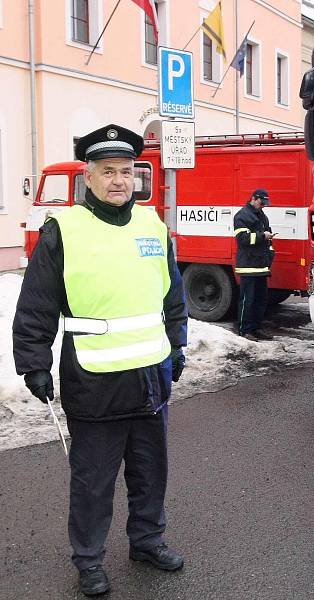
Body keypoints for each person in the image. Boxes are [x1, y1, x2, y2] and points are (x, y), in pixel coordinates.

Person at [12, 124, 188, 596]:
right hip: (94, 379)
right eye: (107, 171)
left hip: (151, 378)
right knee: (92, 481)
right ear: (87, 177)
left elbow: (172, 294)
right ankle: (89, 559)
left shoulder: (153, 226)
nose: (118, 180)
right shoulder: (64, 230)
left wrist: (178, 343)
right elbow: (36, 304)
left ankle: (147, 540)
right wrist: (33, 362)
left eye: (126, 171)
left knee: (151, 471)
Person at [234, 188, 275, 341]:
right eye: (261, 202)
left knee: (260, 299)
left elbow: (268, 237)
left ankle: (256, 328)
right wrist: (261, 236)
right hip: (248, 265)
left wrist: (270, 252)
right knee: (248, 300)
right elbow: (242, 239)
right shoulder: (242, 216)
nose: (263, 205)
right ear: (253, 198)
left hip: (261, 265)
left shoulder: (262, 216)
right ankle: (244, 330)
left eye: (265, 203)